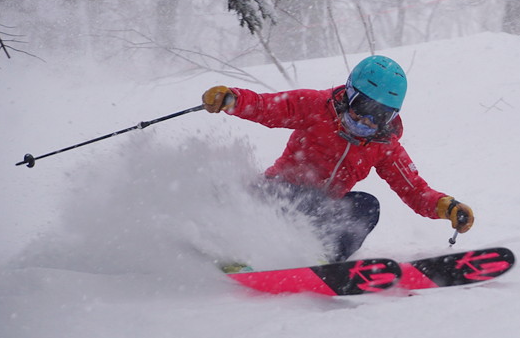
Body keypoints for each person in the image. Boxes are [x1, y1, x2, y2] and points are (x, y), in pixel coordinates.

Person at [202, 55, 473, 263]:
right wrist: (231, 99)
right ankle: (223, 235)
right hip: (278, 194)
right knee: (253, 191)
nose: (367, 120)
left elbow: (414, 189)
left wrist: (446, 207)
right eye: (363, 108)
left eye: (380, 115)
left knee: (366, 206)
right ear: (349, 94)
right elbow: (267, 107)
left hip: (321, 212)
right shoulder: (314, 106)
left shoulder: (384, 144)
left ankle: (323, 261)